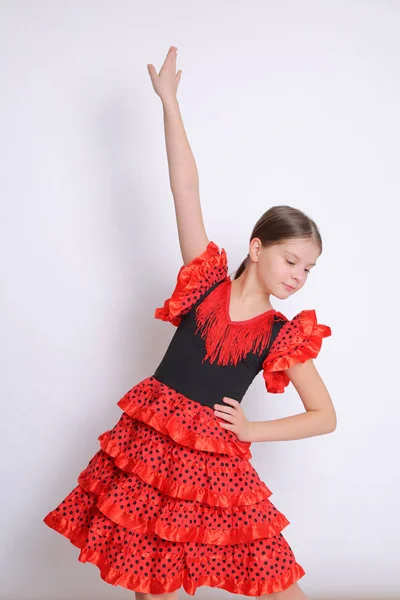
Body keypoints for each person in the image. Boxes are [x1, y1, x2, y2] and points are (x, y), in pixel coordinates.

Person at [43, 46, 336, 600]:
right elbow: (185, 190)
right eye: (291, 261)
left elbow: (324, 416)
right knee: (150, 581)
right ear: (257, 246)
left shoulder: (282, 336)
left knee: (274, 580)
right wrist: (170, 104)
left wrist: (252, 430)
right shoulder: (204, 281)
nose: (299, 276)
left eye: (309, 269)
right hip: (151, 448)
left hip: (214, 466)